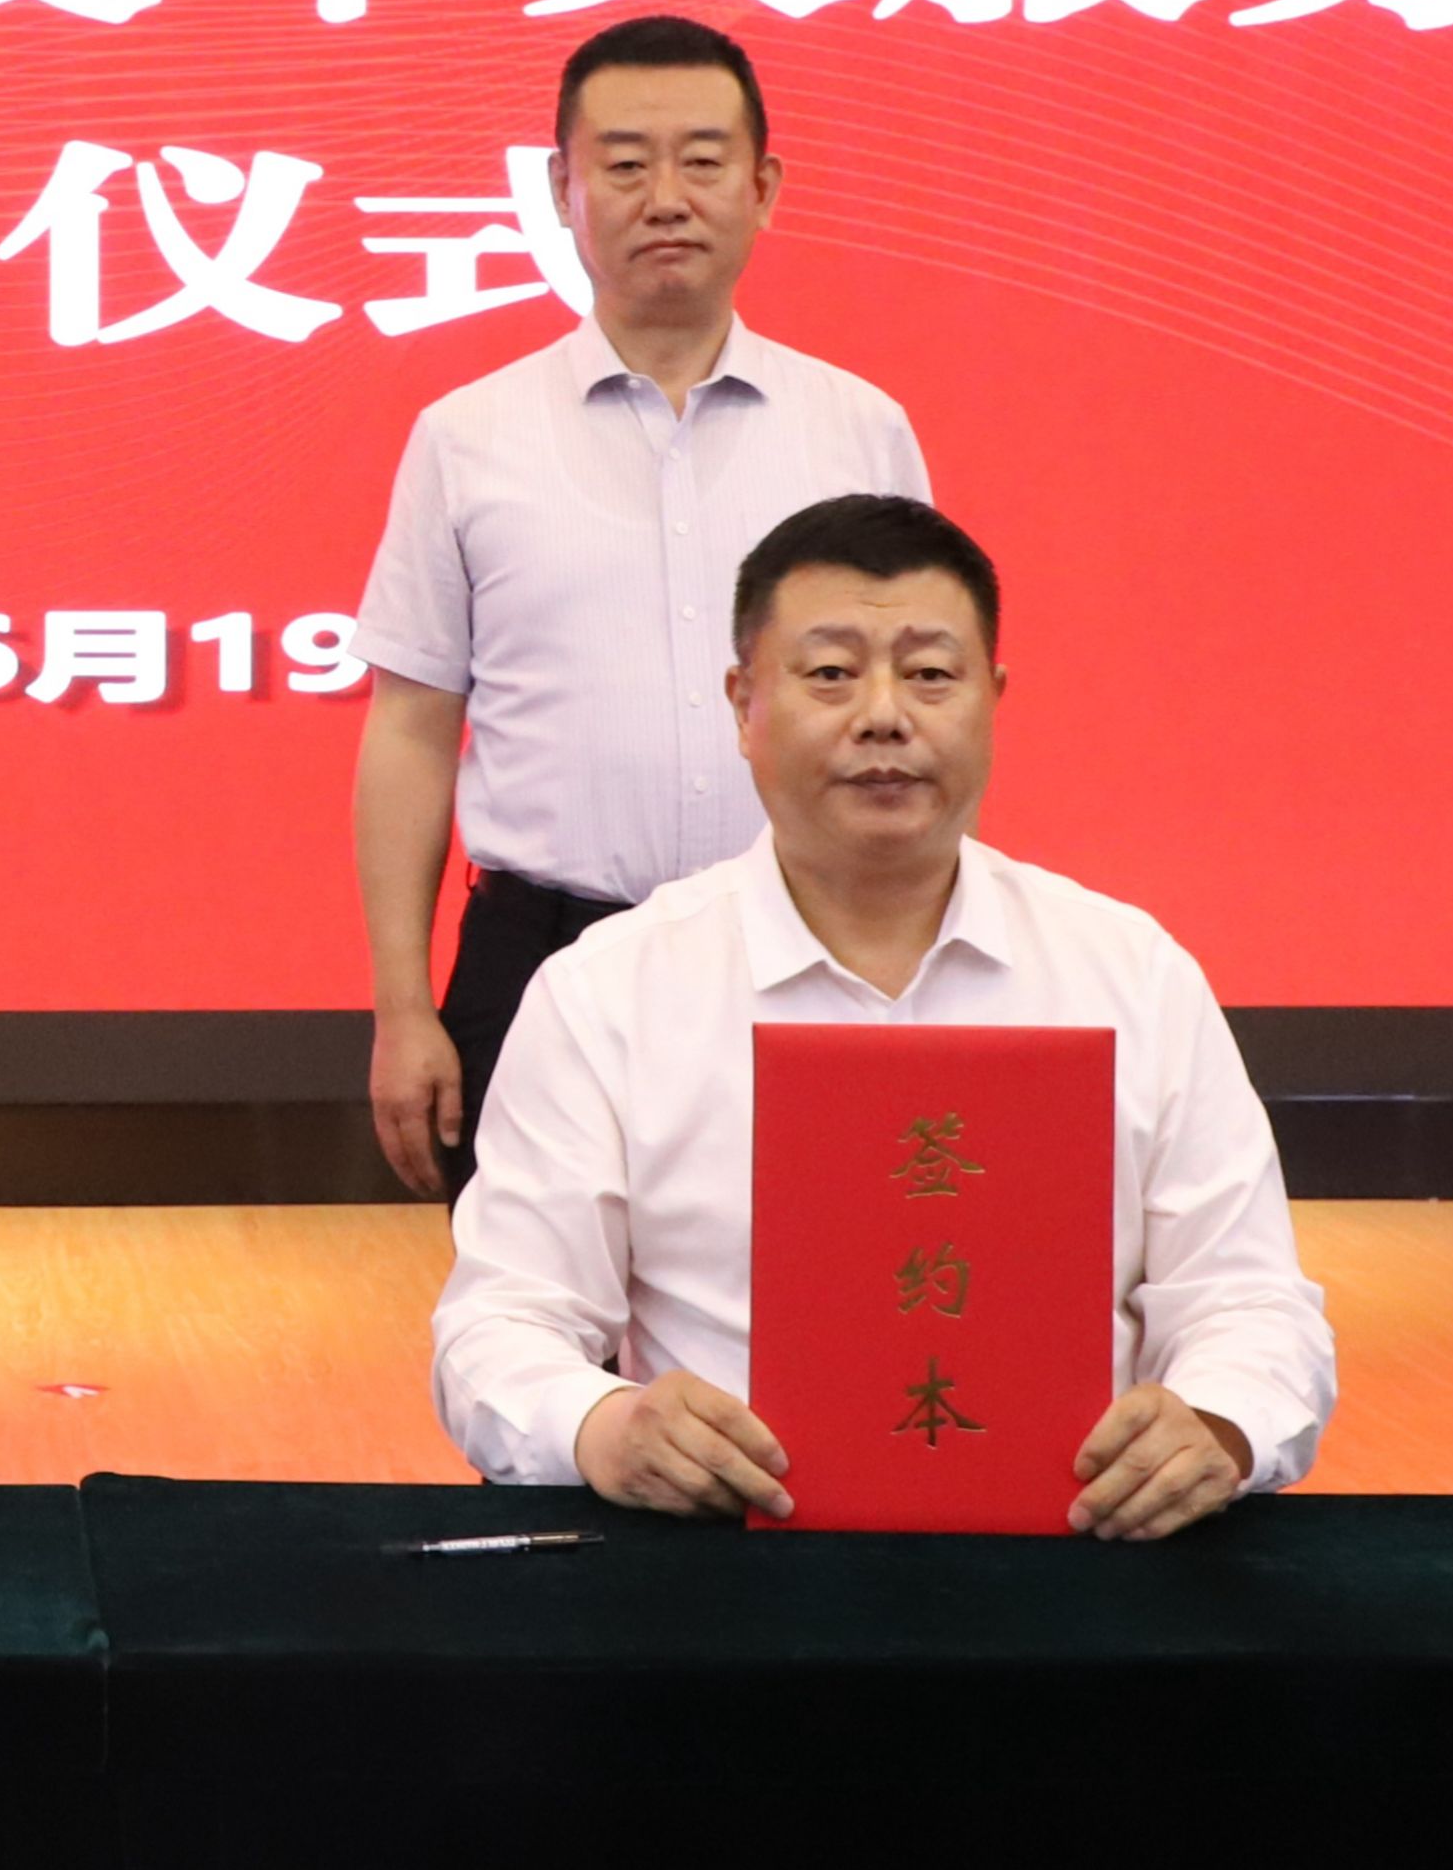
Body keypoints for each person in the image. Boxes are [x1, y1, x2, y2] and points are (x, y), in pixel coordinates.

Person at [430, 495, 1332, 1540]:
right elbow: (500, 1323)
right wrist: (601, 1426)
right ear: (742, 703)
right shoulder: (609, 991)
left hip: (1077, 1559)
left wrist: (1216, 1423)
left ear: (993, 699)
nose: (883, 715)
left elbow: (1250, 1301)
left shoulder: (1131, 973)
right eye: (829, 672)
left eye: (931, 673)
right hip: (721, 1567)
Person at [352, 15, 932, 1196]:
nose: (665, 196)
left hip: (810, 946)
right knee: (536, 1301)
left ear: (762, 187)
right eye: (622, 163)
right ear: (560, 190)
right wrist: (401, 1004)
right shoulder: (467, 437)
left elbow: (922, 710)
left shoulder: (857, 431)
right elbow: (409, 728)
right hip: (540, 955)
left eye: (702, 160)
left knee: (813, 1286)